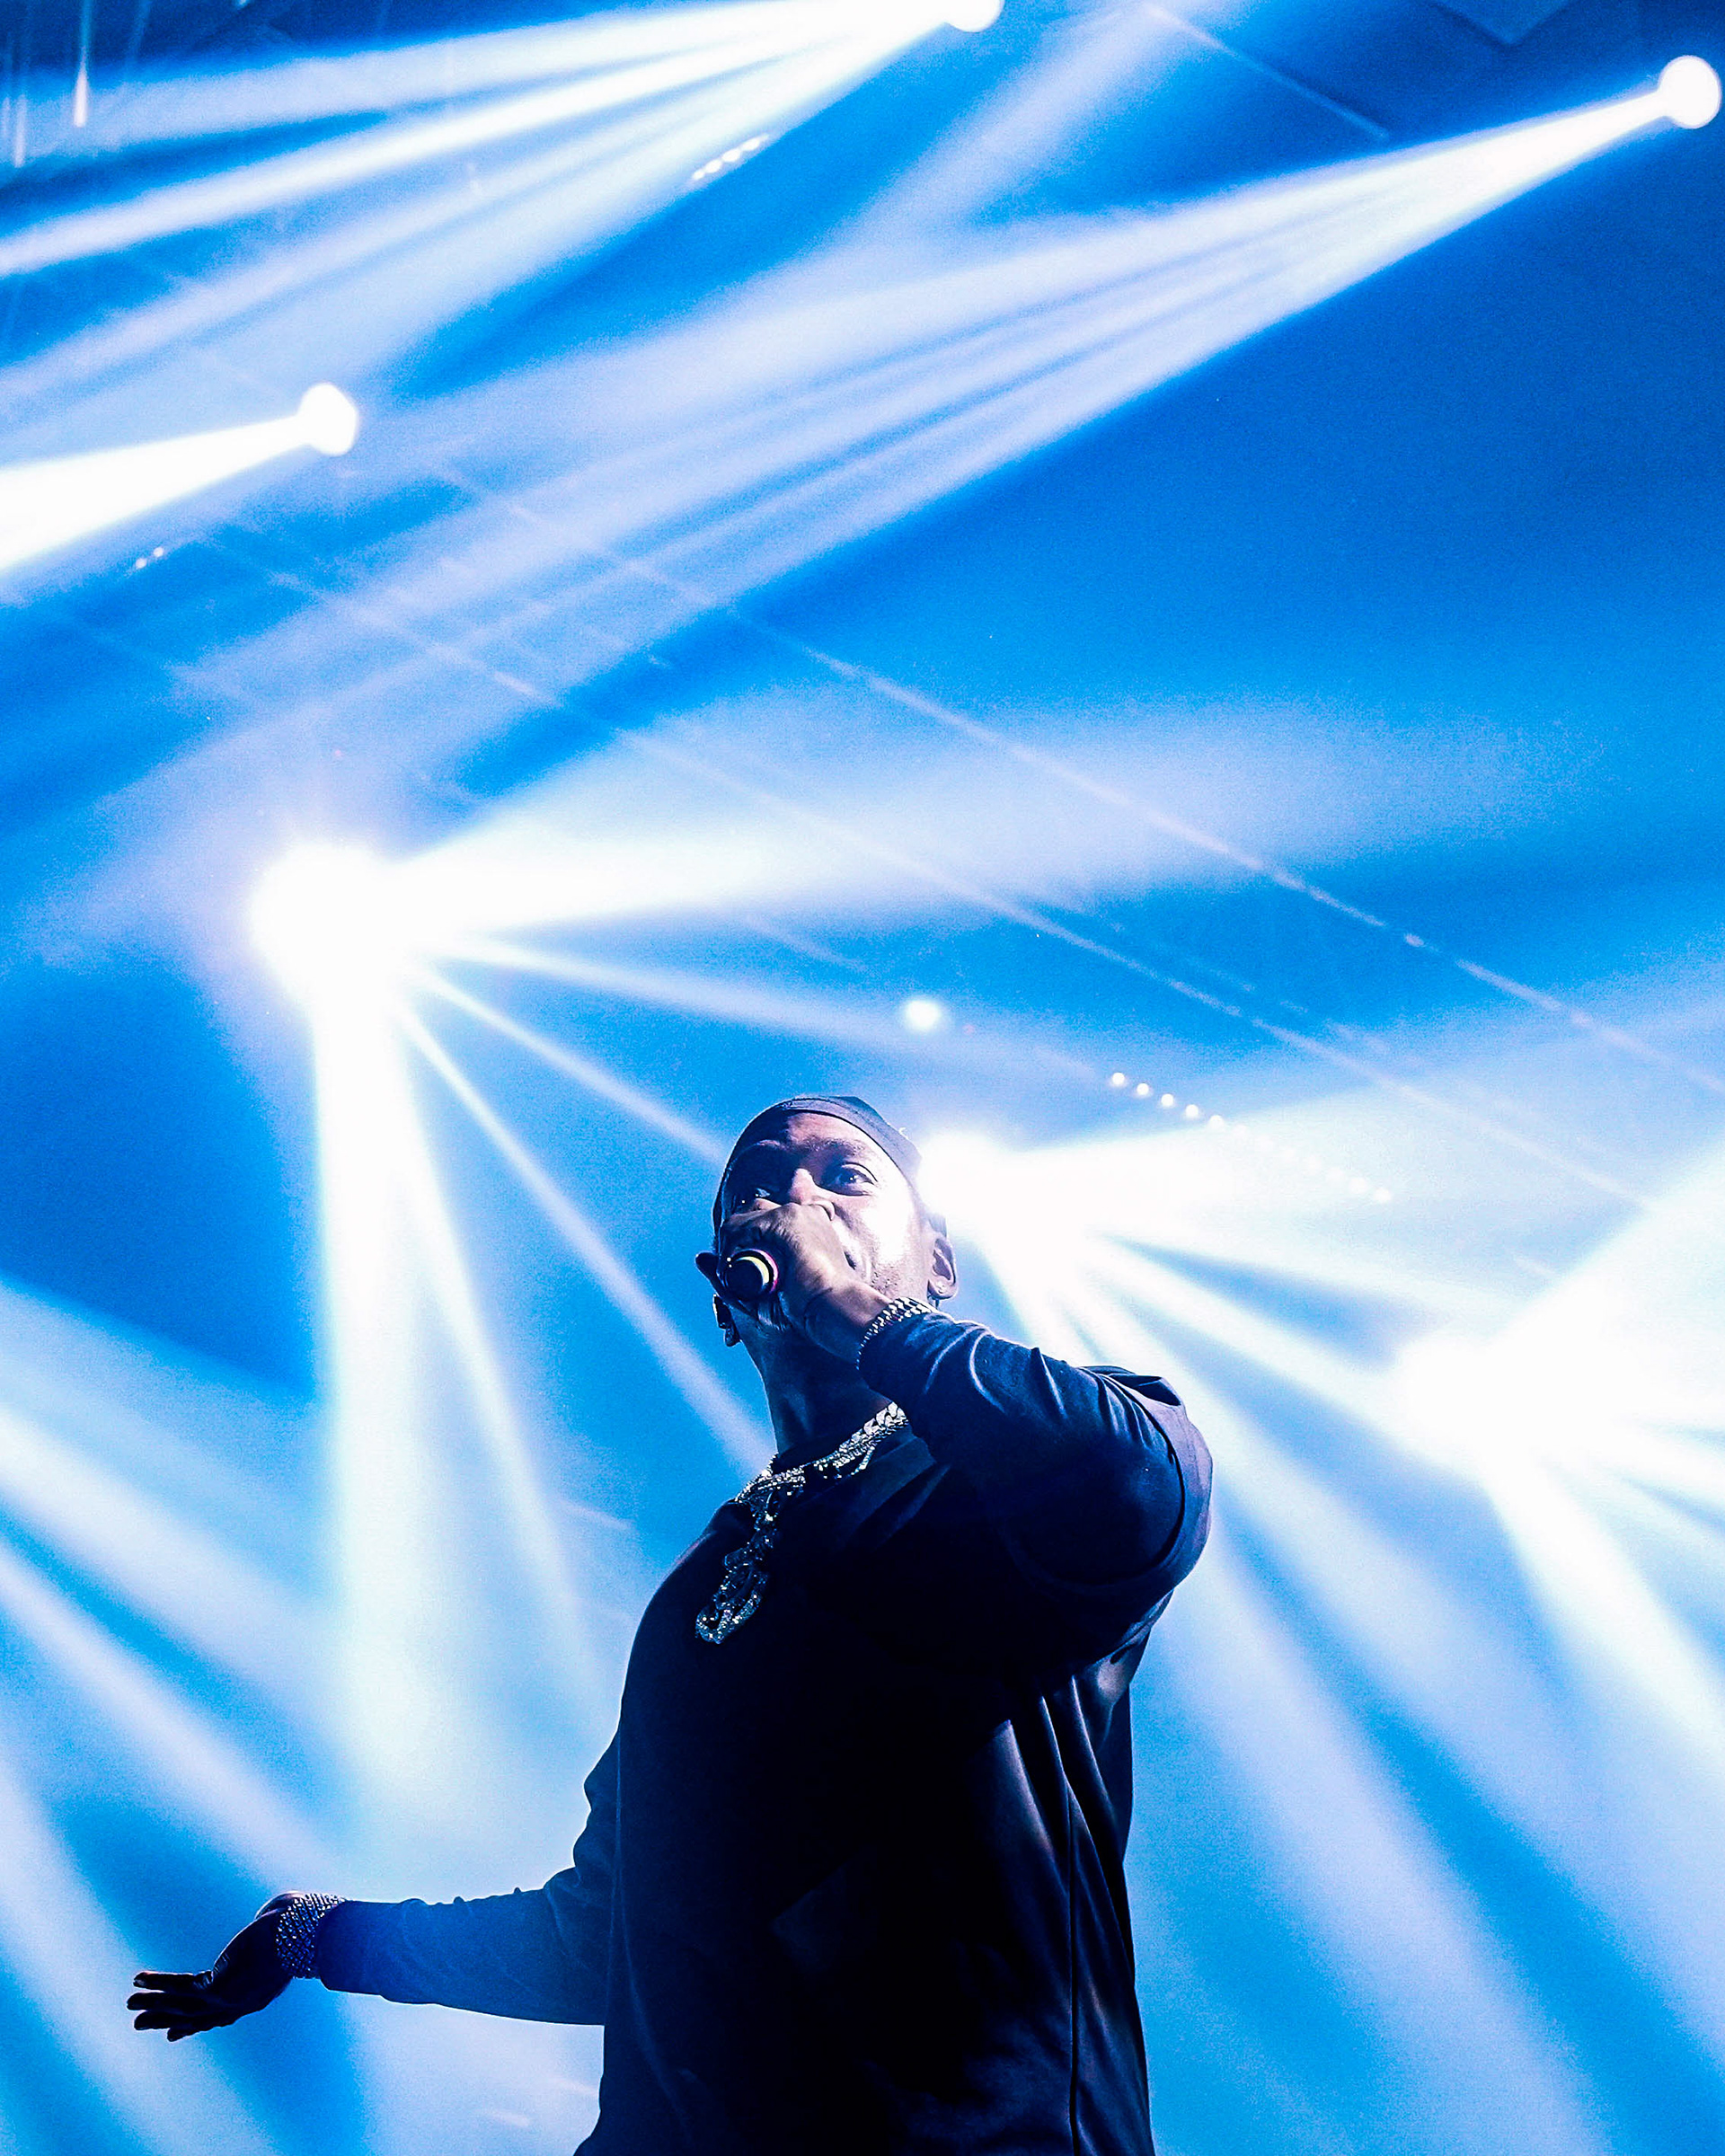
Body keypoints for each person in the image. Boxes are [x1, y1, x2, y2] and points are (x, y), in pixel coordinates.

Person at [130, 1094, 1211, 2155]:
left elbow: (1139, 1487)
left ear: (938, 1260)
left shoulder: (1011, 1481)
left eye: (844, 1177)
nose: (794, 1202)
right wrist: (317, 1933)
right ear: (723, 1292)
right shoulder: (696, 1597)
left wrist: (857, 1312)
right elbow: (605, 1936)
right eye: (759, 1187)